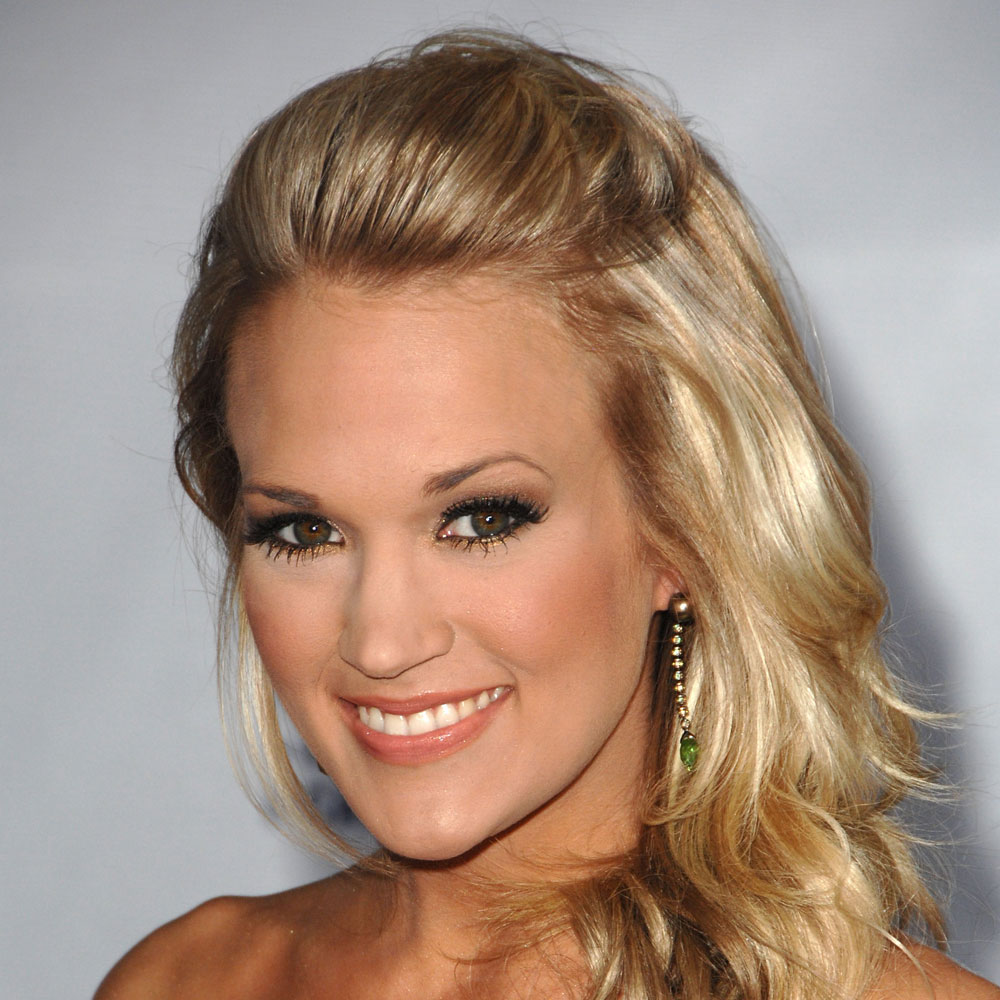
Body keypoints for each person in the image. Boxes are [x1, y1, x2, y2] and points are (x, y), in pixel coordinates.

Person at [95, 31, 998, 1000]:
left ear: (681, 530)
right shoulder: (182, 981)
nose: (382, 641)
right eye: (304, 531)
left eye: (481, 520)